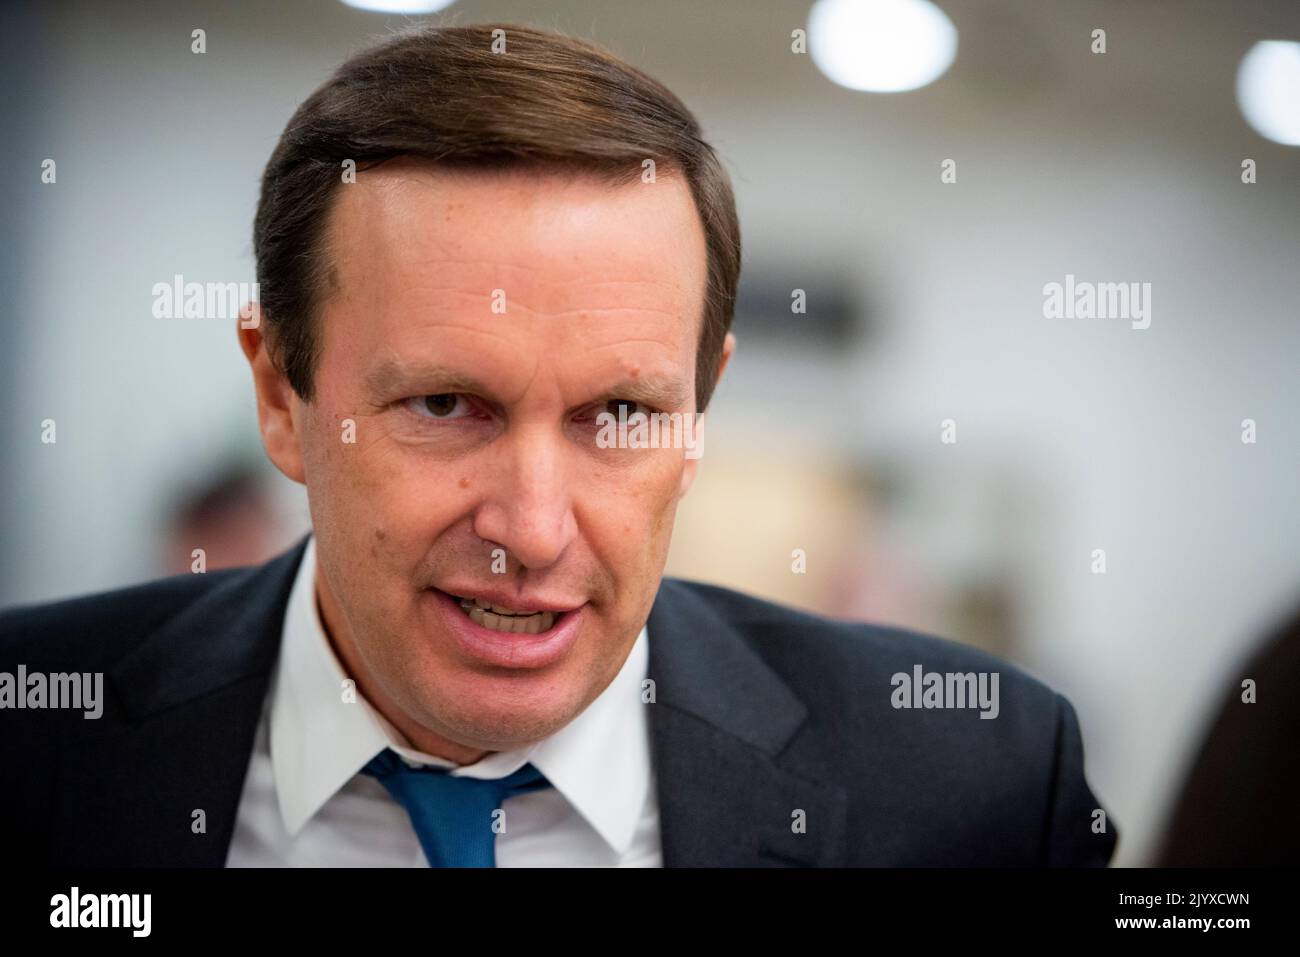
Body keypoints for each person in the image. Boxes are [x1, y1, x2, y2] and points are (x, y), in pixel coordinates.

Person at [0, 23, 1116, 867]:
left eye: (621, 416)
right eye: (444, 406)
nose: (532, 531)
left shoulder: (980, 786)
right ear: (280, 395)